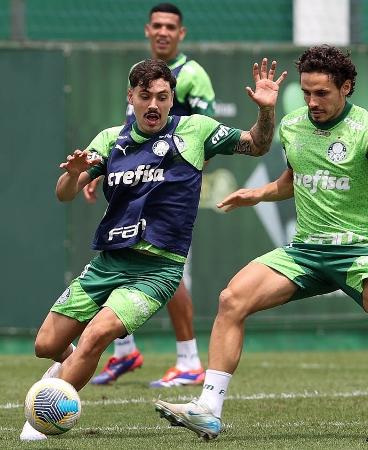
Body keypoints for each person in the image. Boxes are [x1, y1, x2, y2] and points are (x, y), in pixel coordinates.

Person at [154, 45, 368, 441]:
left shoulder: (367, 128)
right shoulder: (292, 125)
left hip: (358, 251)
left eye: (322, 93)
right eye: (307, 92)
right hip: (306, 253)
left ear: (346, 87)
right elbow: (293, 181)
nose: (312, 102)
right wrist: (257, 194)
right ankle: (208, 408)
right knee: (232, 299)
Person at [20, 57, 287, 441]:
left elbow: (258, 146)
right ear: (131, 96)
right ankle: (66, 369)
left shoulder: (195, 130)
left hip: (156, 271)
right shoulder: (111, 139)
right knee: (46, 345)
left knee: (97, 335)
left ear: (171, 98)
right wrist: (74, 173)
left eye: (162, 97)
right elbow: (64, 195)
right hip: (108, 262)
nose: (153, 105)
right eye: (145, 96)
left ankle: (45, 418)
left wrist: (266, 111)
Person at [87, 2, 217, 388]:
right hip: (131, 189)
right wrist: (98, 171)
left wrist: (178, 183)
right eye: (156, 25)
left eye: (170, 26)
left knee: (167, 272)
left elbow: (205, 138)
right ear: (147, 30)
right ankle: (125, 353)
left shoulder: (192, 75)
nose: (163, 31)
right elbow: (127, 138)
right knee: (116, 259)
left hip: (167, 199)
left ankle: (189, 360)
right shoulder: (141, 76)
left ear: (181, 34)